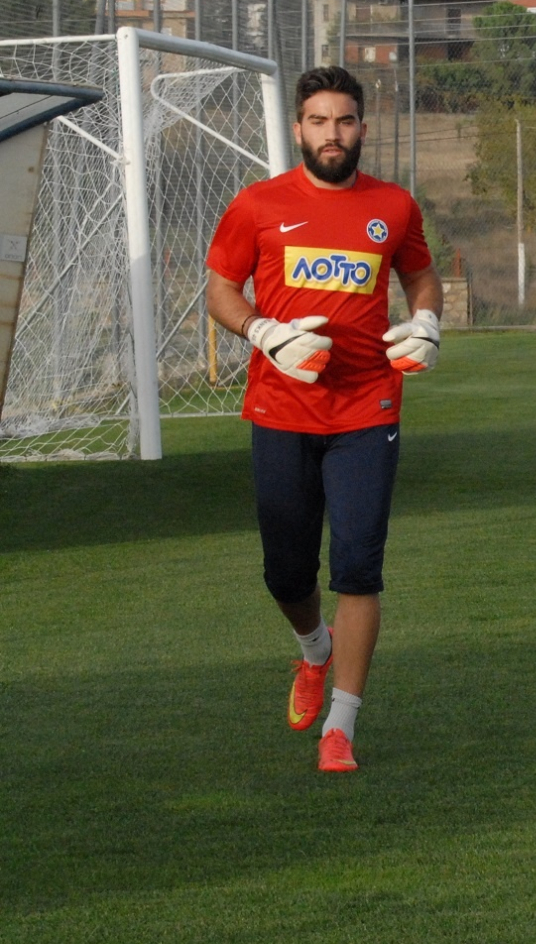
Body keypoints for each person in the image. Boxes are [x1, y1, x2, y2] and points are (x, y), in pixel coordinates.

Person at [205, 66, 442, 773]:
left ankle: (342, 726)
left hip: (368, 407)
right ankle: (315, 650)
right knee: (285, 572)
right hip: (281, 408)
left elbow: (419, 272)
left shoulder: (394, 206)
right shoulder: (258, 206)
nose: (332, 134)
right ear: (299, 129)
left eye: (344, 121)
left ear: (362, 128)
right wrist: (262, 332)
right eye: (318, 121)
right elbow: (220, 287)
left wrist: (427, 318)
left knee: (360, 570)